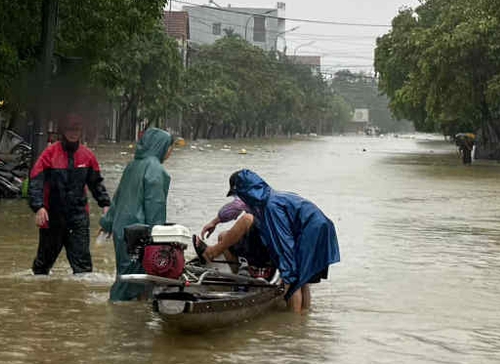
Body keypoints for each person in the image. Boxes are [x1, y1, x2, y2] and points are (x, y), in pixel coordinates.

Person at [201, 169, 339, 313]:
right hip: (319, 227)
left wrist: (286, 271)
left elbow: (284, 243)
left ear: (246, 191)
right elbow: (235, 207)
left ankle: (294, 320)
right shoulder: (268, 197)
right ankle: (302, 319)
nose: (240, 198)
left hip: (312, 231)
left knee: (293, 279)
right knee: (302, 279)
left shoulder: (270, 207)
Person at [27, 113, 110, 276]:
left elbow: (96, 183)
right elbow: (35, 182)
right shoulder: (49, 154)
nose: (73, 133)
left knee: (83, 268)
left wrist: (105, 204)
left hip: (78, 218)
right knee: (42, 267)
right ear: (63, 131)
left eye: (76, 129)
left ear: (81, 131)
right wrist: (38, 207)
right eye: (70, 129)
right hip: (52, 217)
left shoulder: (87, 156)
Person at [101, 127, 173, 302]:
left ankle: (122, 307)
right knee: (134, 279)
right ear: (161, 146)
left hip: (121, 230)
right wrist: (158, 236)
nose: (170, 152)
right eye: (170, 147)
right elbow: (155, 205)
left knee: (125, 273)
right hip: (139, 232)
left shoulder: (132, 166)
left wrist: (107, 223)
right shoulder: (156, 169)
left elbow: (118, 196)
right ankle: (117, 307)